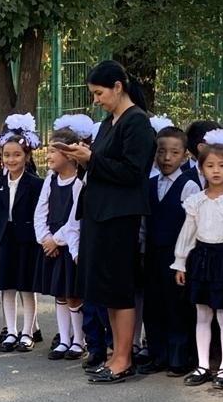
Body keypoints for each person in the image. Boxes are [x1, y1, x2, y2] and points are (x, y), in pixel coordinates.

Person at [60, 60, 156, 383]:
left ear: (118, 87)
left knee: (119, 289)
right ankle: (116, 354)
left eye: (99, 93)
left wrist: (92, 159)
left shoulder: (137, 122)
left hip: (120, 217)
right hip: (99, 215)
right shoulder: (108, 123)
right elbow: (102, 165)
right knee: (107, 290)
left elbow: (132, 172)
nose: (96, 100)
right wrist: (82, 157)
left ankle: (124, 358)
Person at [172, 132, 223, 389]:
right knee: (202, 314)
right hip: (200, 258)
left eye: (222, 165)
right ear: (201, 169)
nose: (216, 171)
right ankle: (203, 365)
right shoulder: (195, 201)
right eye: (210, 166)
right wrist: (180, 261)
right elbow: (188, 232)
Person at [141, 127, 200, 376]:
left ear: (185, 156)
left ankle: (179, 356)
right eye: (161, 151)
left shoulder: (189, 186)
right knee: (153, 304)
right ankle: (157, 354)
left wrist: (183, 259)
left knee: (177, 306)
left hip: (178, 257)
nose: (167, 158)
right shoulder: (149, 184)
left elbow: (193, 225)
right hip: (152, 254)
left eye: (174, 152)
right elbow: (143, 223)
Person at [0, 125, 42, 353]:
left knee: (26, 288)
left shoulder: (35, 184)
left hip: (26, 242)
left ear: (27, 156)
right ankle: (11, 331)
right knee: (7, 287)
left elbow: (39, 214)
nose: (11, 159)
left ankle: (28, 332)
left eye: (17, 155)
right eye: (7, 155)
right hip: (5, 239)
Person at [34, 130, 84, 360]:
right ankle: (64, 339)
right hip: (51, 245)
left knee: (73, 294)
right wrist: (45, 238)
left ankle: (79, 340)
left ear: (70, 154)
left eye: (53, 151)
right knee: (59, 294)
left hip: (69, 245)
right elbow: (40, 212)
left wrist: (56, 240)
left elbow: (75, 219)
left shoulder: (79, 182)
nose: (48, 156)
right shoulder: (50, 180)